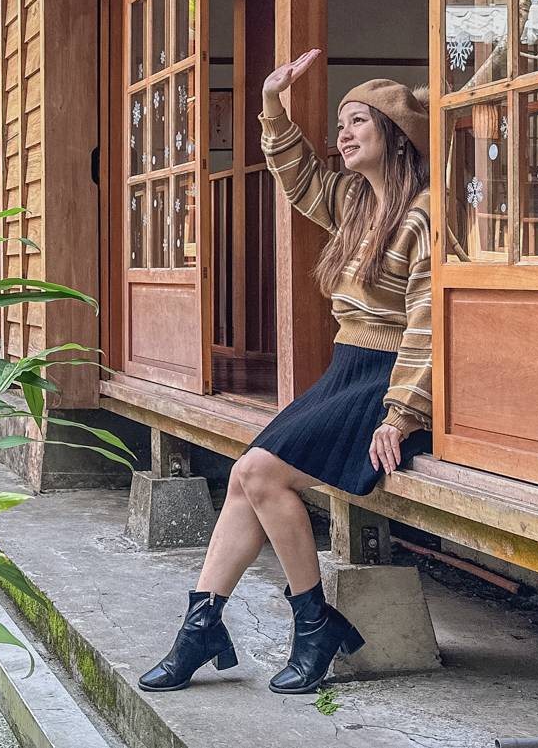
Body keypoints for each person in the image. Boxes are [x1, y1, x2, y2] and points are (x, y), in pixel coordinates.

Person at [137, 48, 434, 696]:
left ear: (396, 135)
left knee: (258, 473)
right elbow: (297, 176)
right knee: (249, 476)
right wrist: (272, 103)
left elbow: (430, 322)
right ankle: (204, 626)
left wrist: (402, 413)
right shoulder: (356, 204)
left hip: (384, 385)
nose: (343, 133)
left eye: (359, 121)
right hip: (344, 373)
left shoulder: (423, 215)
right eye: (341, 122)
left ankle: (310, 625)